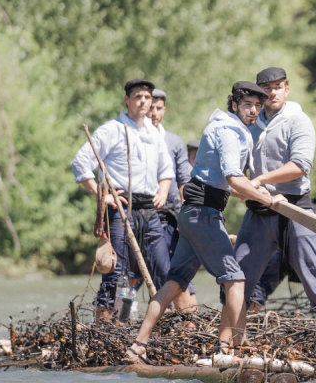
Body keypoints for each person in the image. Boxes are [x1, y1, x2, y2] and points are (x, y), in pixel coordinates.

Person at [125, 82, 285, 363]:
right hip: (203, 216)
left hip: (193, 215)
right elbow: (235, 179)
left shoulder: (225, 127)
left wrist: (260, 194)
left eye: (258, 107)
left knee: (174, 283)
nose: (253, 111)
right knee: (235, 280)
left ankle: (138, 345)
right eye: (247, 104)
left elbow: (227, 187)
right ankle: (232, 350)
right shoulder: (228, 131)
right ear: (234, 104)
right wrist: (269, 200)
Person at [234, 67, 316, 357]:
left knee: (313, 277)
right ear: (257, 94)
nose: (272, 93)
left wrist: (259, 180)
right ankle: (234, 343)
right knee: (238, 275)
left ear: (287, 89)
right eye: (266, 88)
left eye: (277, 87)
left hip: (295, 209)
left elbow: (300, 165)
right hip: (258, 211)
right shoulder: (250, 123)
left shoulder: (299, 120)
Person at [71, 79, 175, 321]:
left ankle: (157, 327)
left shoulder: (153, 132)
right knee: (118, 273)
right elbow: (80, 163)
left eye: (147, 98)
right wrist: (102, 194)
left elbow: (166, 169)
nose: (143, 101)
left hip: (149, 210)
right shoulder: (112, 129)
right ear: (127, 100)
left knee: (163, 269)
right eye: (137, 97)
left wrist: (163, 189)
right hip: (121, 209)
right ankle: (105, 330)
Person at [148, 89, 198, 310]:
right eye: (150, 107)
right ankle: (123, 323)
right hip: (140, 214)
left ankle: (187, 325)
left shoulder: (173, 141)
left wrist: (185, 212)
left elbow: (184, 179)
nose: (153, 113)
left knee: (176, 270)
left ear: (164, 110)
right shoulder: (132, 137)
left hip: (169, 215)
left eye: (158, 108)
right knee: (134, 274)